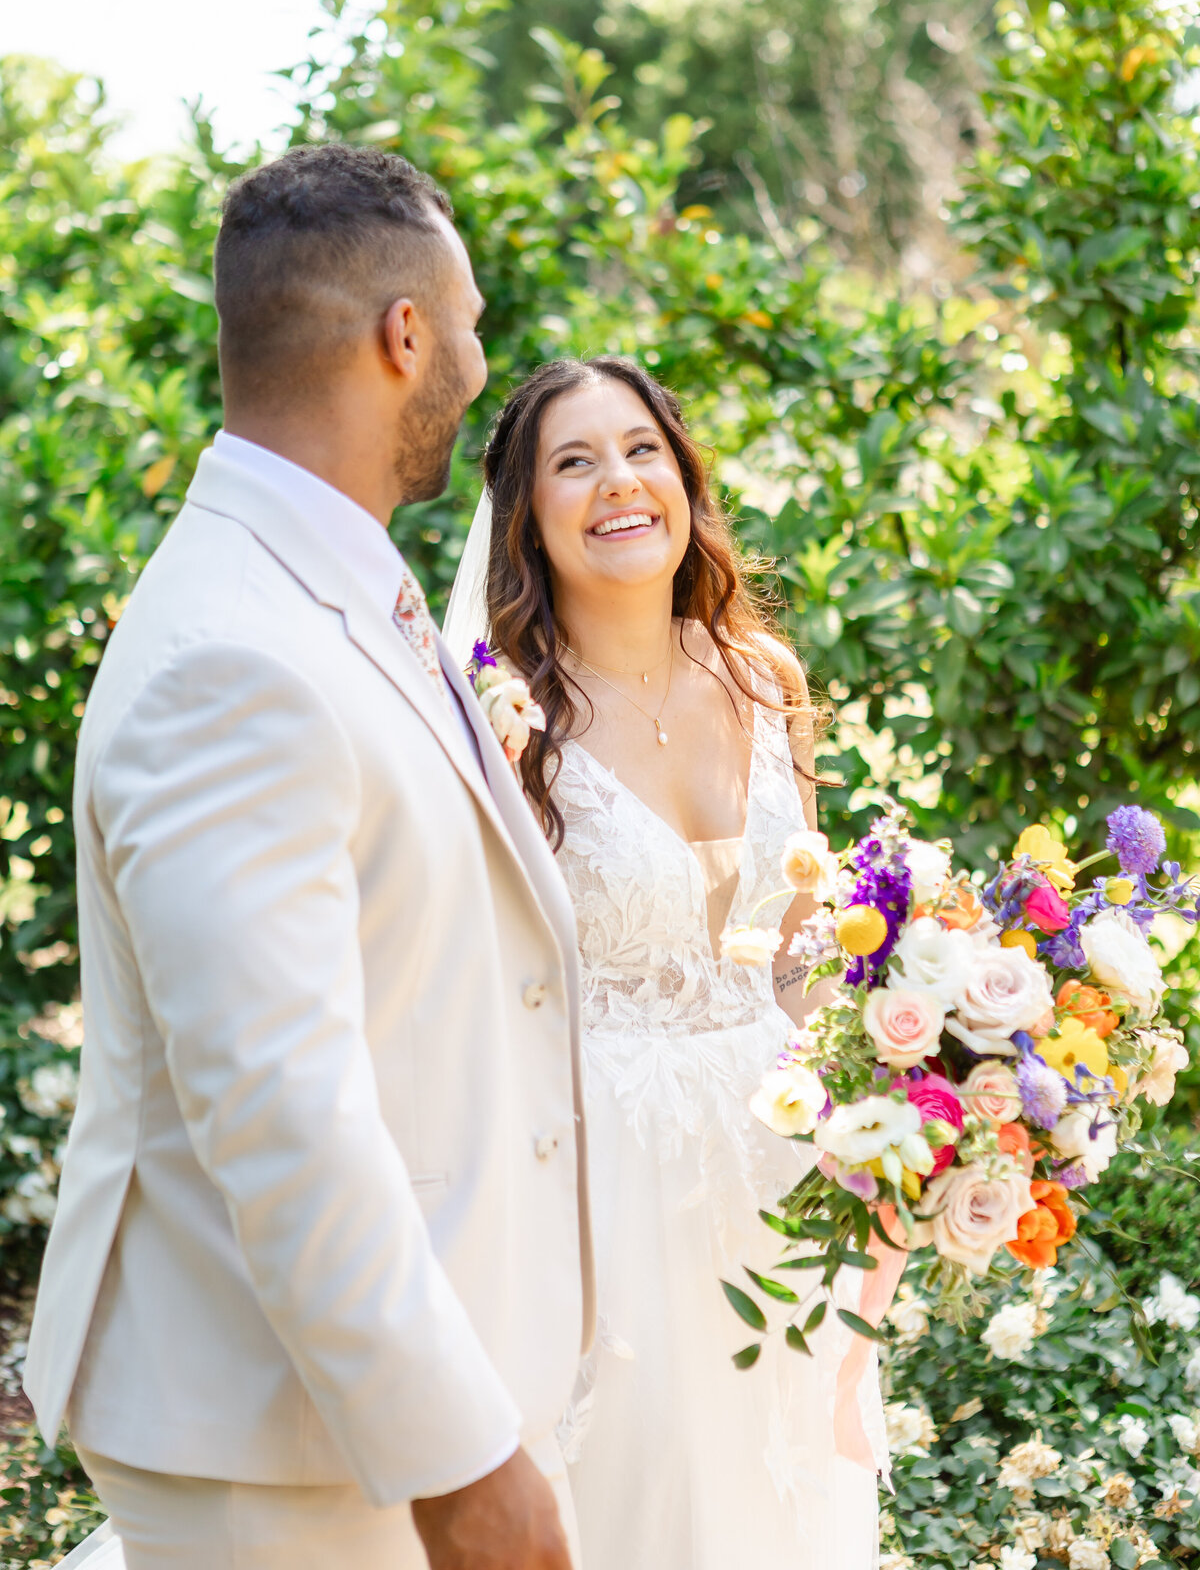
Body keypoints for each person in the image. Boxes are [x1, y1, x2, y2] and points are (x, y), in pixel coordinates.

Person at [24, 145, 593, 1570]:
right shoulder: (230, 653)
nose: (478, 362)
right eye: (468, 325)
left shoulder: (319, 582)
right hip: (288, 1452)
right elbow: (280, 1108)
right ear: (405, 337)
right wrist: (459, 1461)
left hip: (353, 1425)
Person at [447, 355, 896, 1570]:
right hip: (600, 1183)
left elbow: (801, 960)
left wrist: (898, 1105)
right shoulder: (501, 720)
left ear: (685, 480)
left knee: (780, 1500)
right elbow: (475, 983)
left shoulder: (761, 679)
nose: (619, 482)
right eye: (574, 462)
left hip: (779, 1170)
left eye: (641, 450)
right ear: (525, 516)